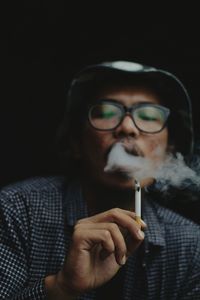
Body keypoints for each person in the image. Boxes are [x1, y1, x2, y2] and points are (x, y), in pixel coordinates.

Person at [0, 60, 200, 300]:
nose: (127, 127)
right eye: (106, 112)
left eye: (148, 115)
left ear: (169, 151)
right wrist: (62, 288)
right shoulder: (17, 211)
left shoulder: (191, 245)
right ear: (76, 142)